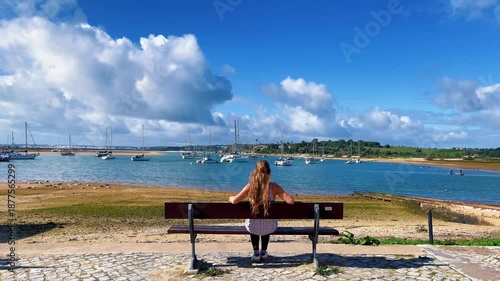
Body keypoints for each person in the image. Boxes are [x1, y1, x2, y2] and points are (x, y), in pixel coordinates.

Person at [229, 160, 295, 262]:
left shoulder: (250, 186)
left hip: (252, 226)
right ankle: (263, 252)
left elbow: (234, 201)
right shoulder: (274, 187)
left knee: (254, 222)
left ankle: (256, 253)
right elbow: (290, 201)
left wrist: (230, 197)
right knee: (266, 221)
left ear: (255, 171)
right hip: (269, 226)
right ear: (269, 172)